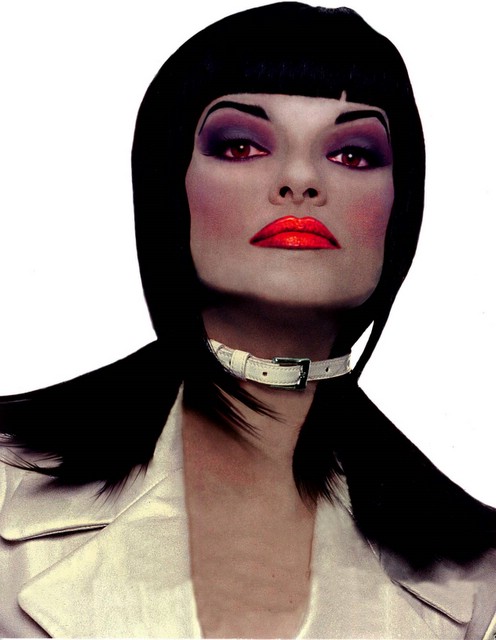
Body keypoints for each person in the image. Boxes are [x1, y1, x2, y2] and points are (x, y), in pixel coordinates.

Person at [0, 3, 495, 638]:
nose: (300, 180)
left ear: (401, 205)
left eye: (352, 154)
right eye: (241, 145)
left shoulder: (479, 574)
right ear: (168, 183)